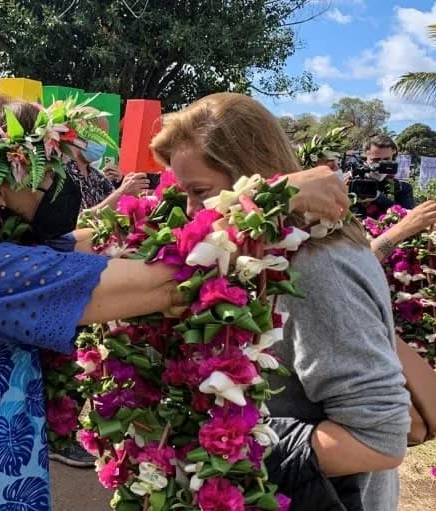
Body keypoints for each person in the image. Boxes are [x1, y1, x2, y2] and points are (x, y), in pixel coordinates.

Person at [0, 94, 351, 511]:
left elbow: (84, 240)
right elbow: (172, 282)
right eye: (43, 165)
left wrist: (163, 209)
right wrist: (279, 196)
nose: (58, 181)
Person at [151, 92, 410, 511]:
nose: (192, 211)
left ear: (248, 176)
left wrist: (234, 445)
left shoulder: (311, 263)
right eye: (185, 194)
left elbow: (378, 440)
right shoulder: (270, 250)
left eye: (200, 191)